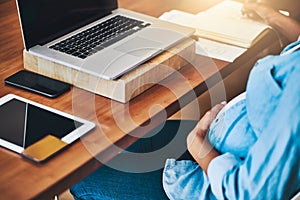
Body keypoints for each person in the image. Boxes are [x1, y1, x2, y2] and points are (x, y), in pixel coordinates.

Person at [70, 4, 300, 200]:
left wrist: (198, 145)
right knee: (99, 147)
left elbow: (248, 194)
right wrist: (270, 14)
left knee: (81, 178)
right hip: (213, 141)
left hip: (203, 180)